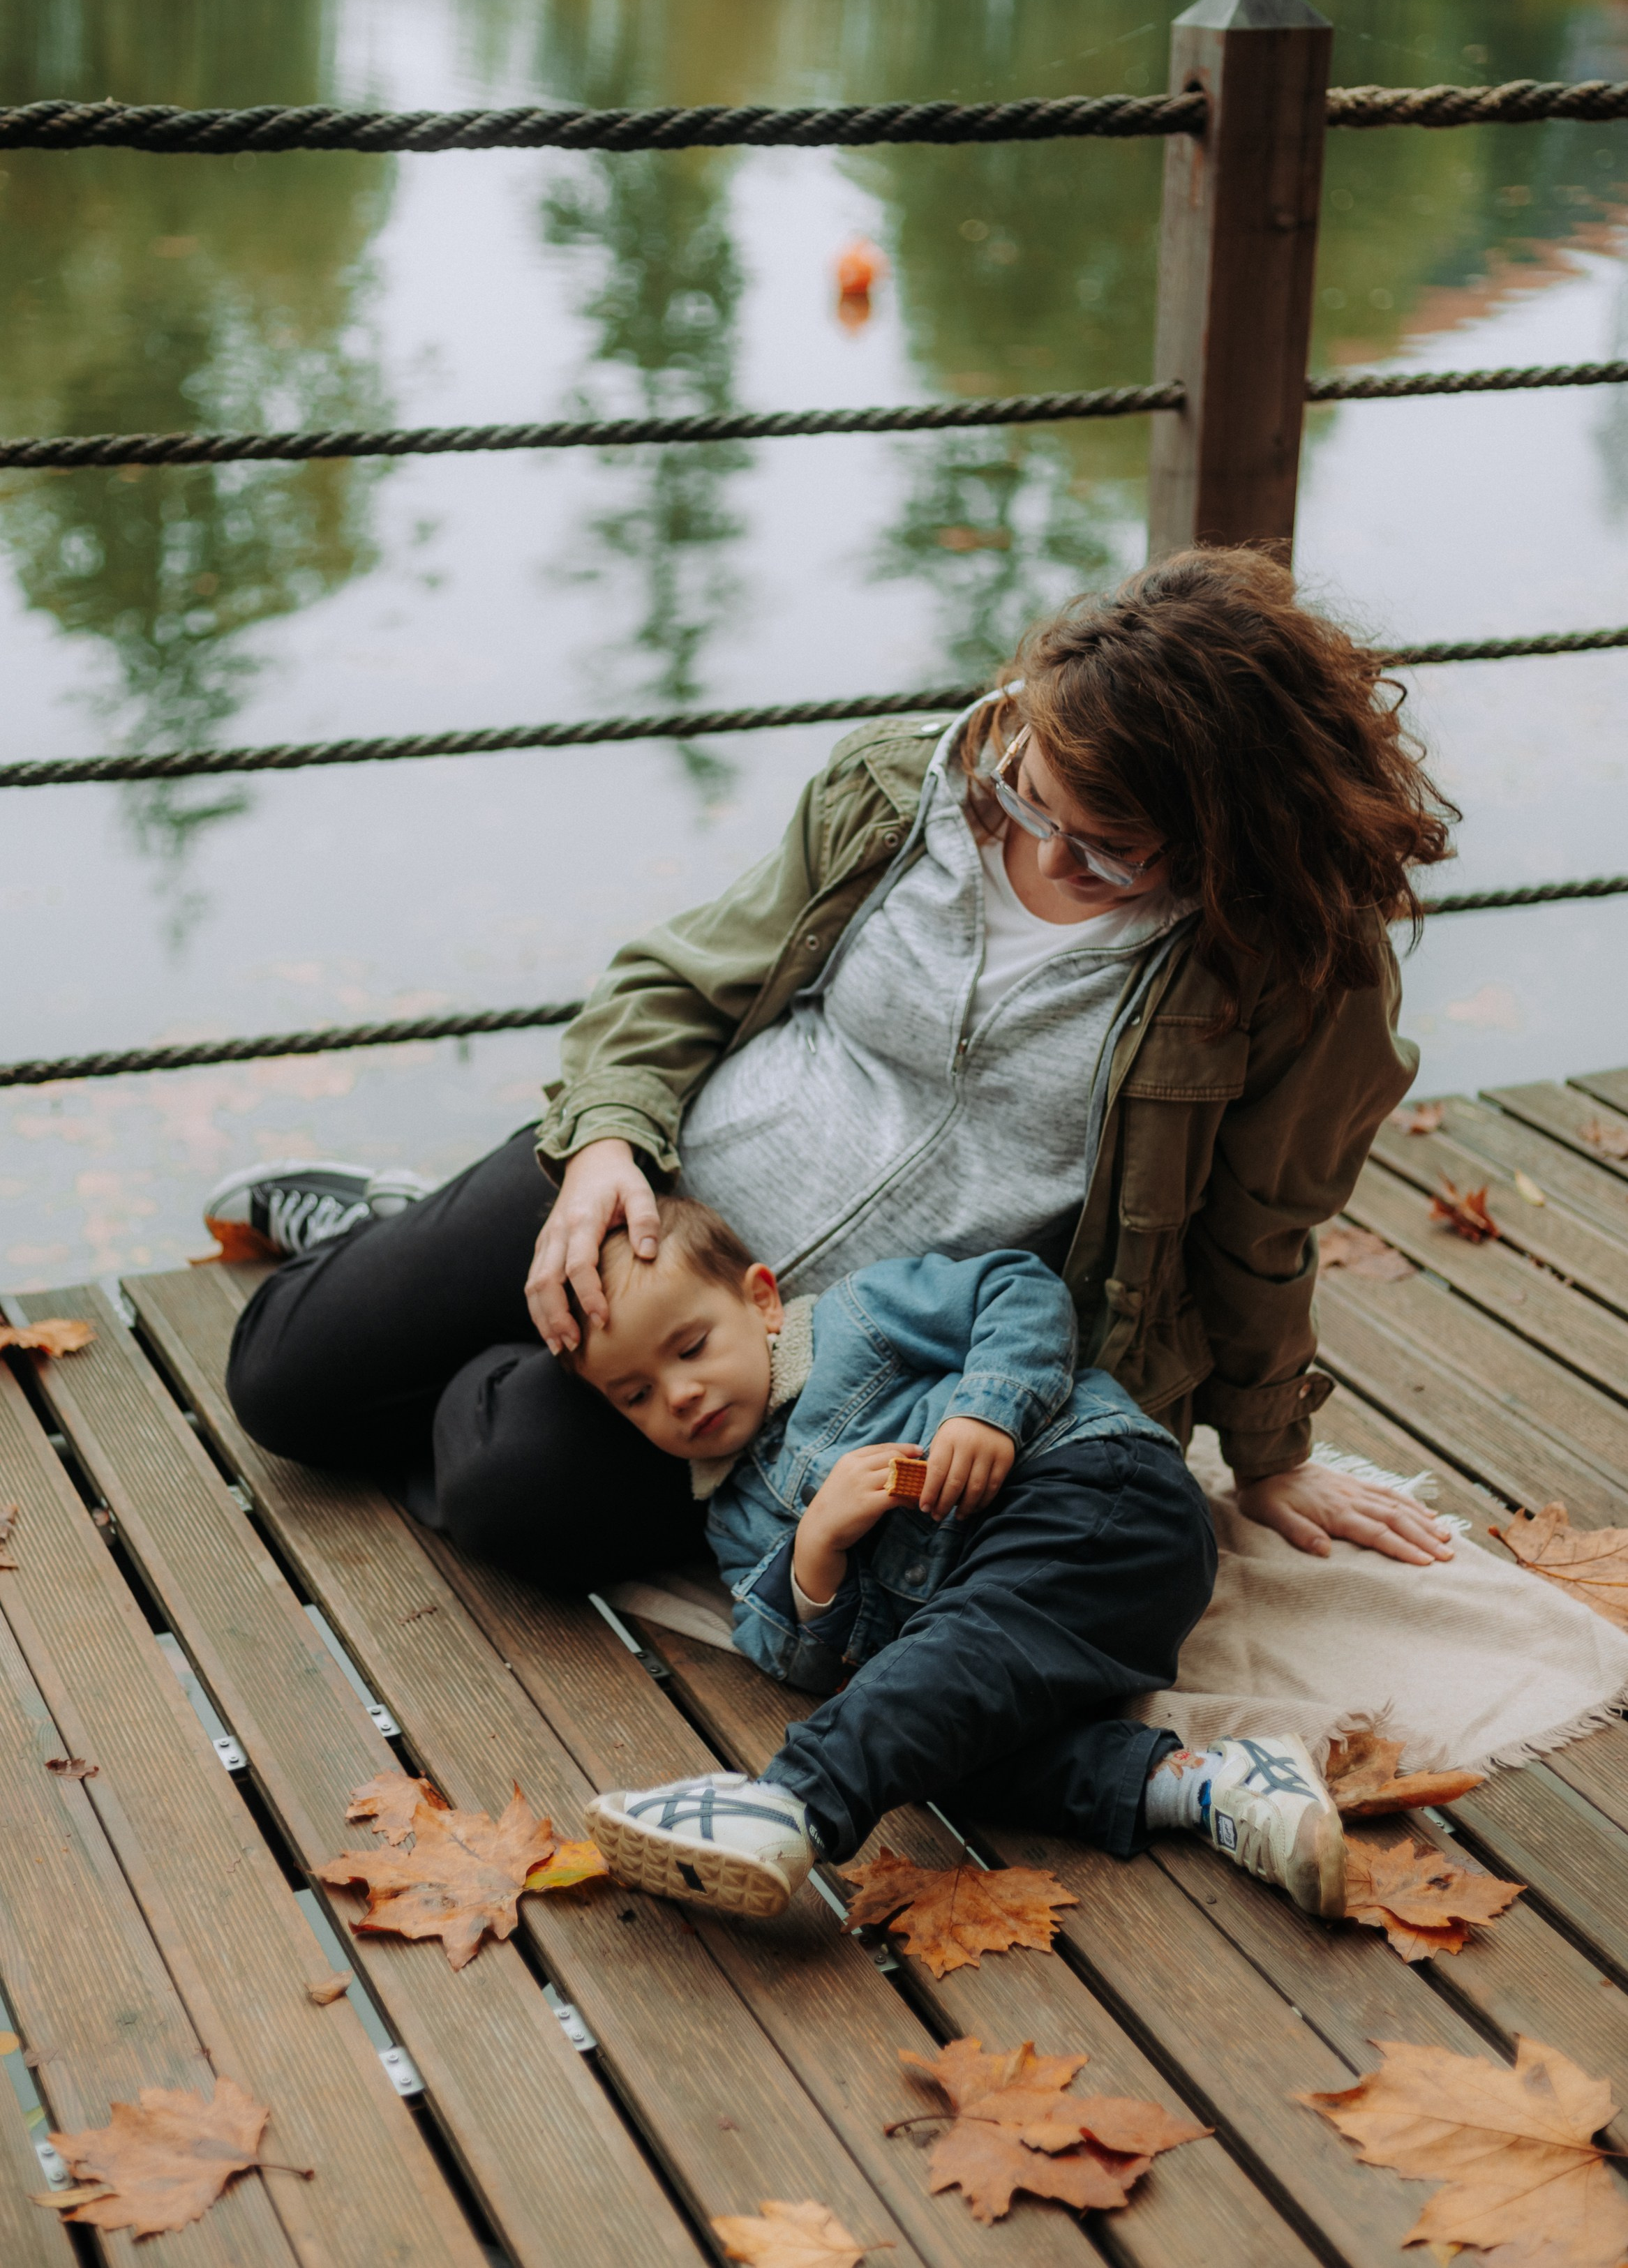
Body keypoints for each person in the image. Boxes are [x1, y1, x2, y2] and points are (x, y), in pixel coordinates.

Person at [216, 548, 1458, 1590]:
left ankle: (482, 1349)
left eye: (1109, 852)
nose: (1045, 849)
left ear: (1230, 833)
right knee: (284, 1385)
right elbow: (678, 979)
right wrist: (602, 1143)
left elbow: (1257, 1231)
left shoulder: (1295, 971)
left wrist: (1267, 1451)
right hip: (663, 1204)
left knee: (516, 1495)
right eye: (1030, 799)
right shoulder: (892, 789)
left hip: (852, 1355)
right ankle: (410, 1250)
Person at [560, 1192, 1346, 1921]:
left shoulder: (858, 1317)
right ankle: (1211, 1786)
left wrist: (988, 1409)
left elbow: (1017, 1288)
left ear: (761, 1299)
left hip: (1088, 1491)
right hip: (1008, 1638)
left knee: (935, 1676)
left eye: (691, 1346)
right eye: (635, 1395)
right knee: (924, 1742)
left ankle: (790, 1800)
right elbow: (784, 1655)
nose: (679, 1394)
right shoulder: (732, 1515)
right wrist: (814, 1549)